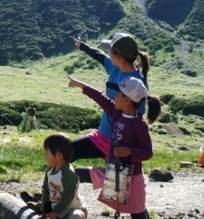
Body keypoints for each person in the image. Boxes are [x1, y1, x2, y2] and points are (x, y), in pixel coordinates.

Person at [67, 75, 162, 219]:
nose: (114, 97)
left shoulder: (139, 125)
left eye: (117, 94)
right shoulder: (117, 113)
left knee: (138, 214)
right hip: (113, 172)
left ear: (127, 100)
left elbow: (148, 152)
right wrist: (81, 85)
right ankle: (58, 204)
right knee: (74, 174)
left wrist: (129, 151)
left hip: (133, 178)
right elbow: (100, 97)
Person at [71, 33, 150, 163]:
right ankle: (60, 181)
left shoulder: (137, 84)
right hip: (102, 134)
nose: (108, 53)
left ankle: (60, 181)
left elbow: (138, 115)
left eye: (110, 51)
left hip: (117, 143)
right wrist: (82, 46)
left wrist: (129, 148)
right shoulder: (115, 67)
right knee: (66, 151)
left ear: (118, 57)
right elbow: (100, 56)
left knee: (112, 180)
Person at [21, 133, 87, 218]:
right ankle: (40, 207)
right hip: (56, 209)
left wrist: (56, 211)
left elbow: (68, 195)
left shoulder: (68, 173)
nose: (45, 155)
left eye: (47, 152)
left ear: (59, 155)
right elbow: (46, 193)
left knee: (76, 216)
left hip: (72, 208)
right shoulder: (49, 172)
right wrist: (44, 213)